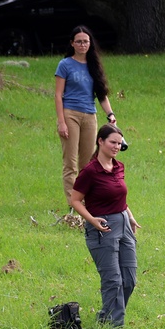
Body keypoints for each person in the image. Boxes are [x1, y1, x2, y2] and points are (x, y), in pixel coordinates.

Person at [70, 123, 140, 328]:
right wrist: (92, 220)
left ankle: (107, 319)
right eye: (113, 142)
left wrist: (130, 217)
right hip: (102, 227)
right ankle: (111, 328)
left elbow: (120, 197)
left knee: (128, 279)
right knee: (113, 281)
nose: (117, 147)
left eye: (120, 143)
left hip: (124, 223)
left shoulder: (119, 167)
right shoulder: (90, 171)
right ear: (100, 141)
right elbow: (74, 200)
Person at [55, 25, 116, 204]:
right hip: (70, 114)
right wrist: (61, 122)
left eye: (86, 41)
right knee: (70, 163)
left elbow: (101, 95)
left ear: (90, 44)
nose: (83, 45)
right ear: (72, 44)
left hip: (90, 116)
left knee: (88, 163)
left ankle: (87, 201)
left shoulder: (93, 65)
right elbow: (58, 95)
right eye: (79, 41)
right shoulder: (65, 65)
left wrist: (110, 114)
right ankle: (73, 204)